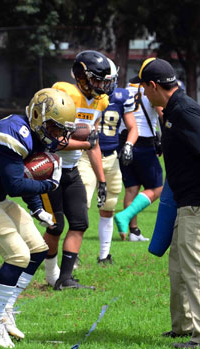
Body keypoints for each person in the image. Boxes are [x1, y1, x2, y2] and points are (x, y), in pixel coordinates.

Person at [130, 57, 200, 349]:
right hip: (185, 200)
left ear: (153, 85)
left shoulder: (185, 110)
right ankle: (183, 326)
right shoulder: (171, 110)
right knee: (179, 265)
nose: (142, 93)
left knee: (195, 268)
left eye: (143, 87)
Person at [0, 88, 76, 347]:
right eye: (54, 128)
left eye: (61, 130)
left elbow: (24, 177)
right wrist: (49, 187)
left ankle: (4, 310)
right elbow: (15, 184)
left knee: (38, 249)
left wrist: (37, 208)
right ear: (36, 115)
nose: (57, 136)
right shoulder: (13, 132)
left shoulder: (34, 135)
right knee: (18, 256)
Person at [43, 50, 113, 290]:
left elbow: (93, 143)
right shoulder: (65, 94)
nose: (102, 85)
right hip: (49, 169)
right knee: (55, 226)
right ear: (82, 77)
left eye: (105, 80)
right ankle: (51, 275)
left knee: (80, 222)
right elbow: (52, 140)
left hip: (71, 169)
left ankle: (66, 278)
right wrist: (85, 141)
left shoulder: (100, 102)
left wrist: (101, 179)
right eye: (97, 80)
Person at [77, 58, 139, 264]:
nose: (109, 84)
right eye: (105, 80)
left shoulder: (121, 97)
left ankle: (104, 255)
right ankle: (73, 255)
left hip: (111, 157)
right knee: (80, 205)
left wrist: (128, 145)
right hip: (86, 157)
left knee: (109, 206)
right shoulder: (82, 96)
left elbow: (133, 128)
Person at [114, 81, 164, 242]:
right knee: (157, 187)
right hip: (143, 142)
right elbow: (162, 115)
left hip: (123, 141)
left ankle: (133, 232)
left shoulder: (125, 90)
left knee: (131, 189)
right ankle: (125, 216)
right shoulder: (151, 91)